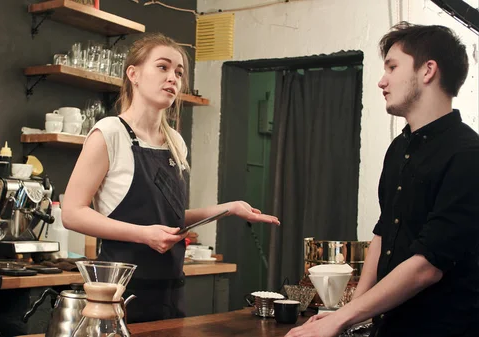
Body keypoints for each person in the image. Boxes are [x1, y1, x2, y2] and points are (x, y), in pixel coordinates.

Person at [61, 32, 279, 324]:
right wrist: (143, 234)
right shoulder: (110, 132)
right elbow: (72, 214)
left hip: (170, 290)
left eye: (179, 72)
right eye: (162, 67)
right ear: (133, 74)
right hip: (120, 294)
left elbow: (170, 220)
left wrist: (228, 208)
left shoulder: (175, 141)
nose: (173, 78)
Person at [287, 21, 479, 337]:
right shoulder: (399, 148)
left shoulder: (468, 155)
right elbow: (383, 233)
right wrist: (348, 315)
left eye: (392, 67)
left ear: (427, 71)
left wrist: (341, 319)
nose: (381, 81)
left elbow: (427, 266)